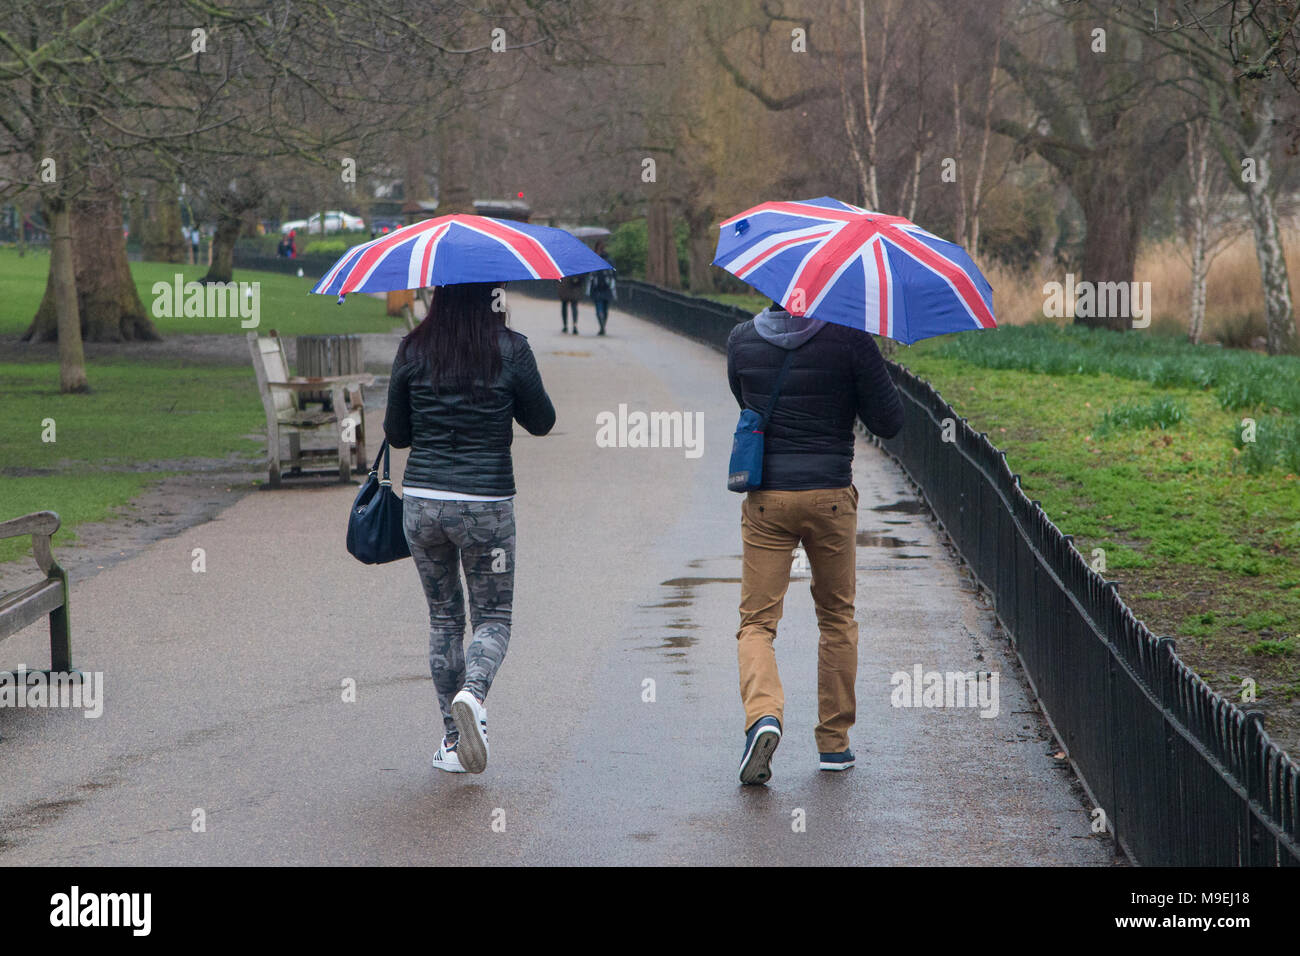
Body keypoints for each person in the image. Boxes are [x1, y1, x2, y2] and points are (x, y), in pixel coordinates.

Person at [726, 301, 904, 785]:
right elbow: (889, 421)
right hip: (830, 497)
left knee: (757, 623)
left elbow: (747, 402)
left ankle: (763, 714)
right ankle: (833, 743)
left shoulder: (742, 339)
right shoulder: (849, 339)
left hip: (768, 498)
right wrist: (865, 363)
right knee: (837, 618)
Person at [384, 282, 556, 775]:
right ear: (491, 296)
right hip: (486, 506)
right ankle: (474, 694)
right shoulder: (510, 348)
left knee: (444, 620)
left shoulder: (413, 348)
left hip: (423, 505)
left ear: (440, 296)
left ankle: (453, 740)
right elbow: (542, 421)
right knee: (494, 618)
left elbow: (397, 435)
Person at [585, 242, 616, 336]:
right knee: (605, 308)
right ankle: (603, 325)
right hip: (607, 287)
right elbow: (614, 273)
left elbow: (588, 273)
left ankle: (601, 325)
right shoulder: (609, 260)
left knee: (599, 308)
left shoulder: (594, 259)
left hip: (597, 288)